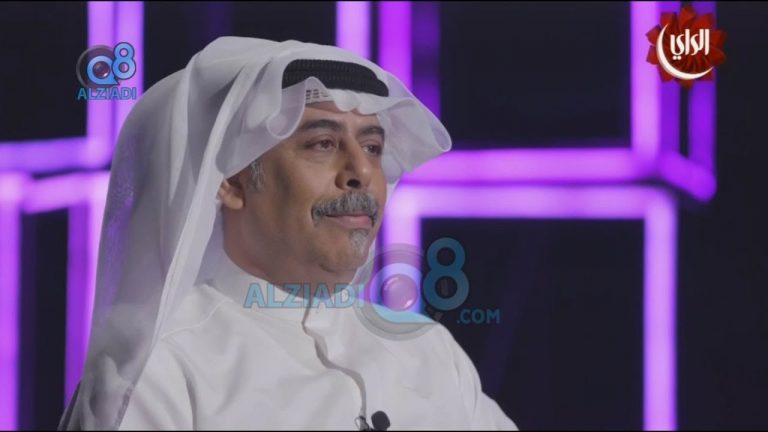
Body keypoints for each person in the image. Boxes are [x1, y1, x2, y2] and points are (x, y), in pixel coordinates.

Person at [58, 36, 517, 430]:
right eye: (323, 144)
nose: (361, 171)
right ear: (231, 181)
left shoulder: (429, 350)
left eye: (373, 147)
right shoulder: (160, 368)